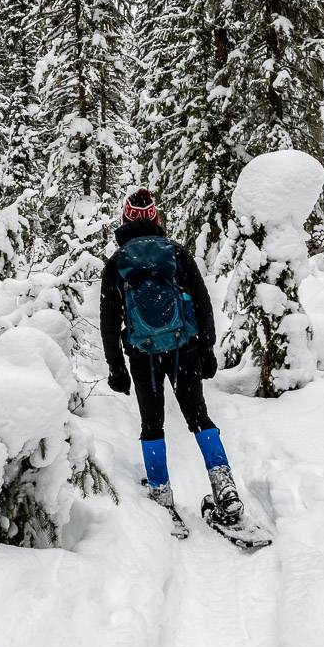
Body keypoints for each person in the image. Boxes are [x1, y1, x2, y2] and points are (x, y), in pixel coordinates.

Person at [100, 188, 245, 531]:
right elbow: (201, 302)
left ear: (125, 221)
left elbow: (109, 322)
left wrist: (116, 368)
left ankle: (162, 496)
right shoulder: (177, 253)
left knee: (152, 424)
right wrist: (207, 349)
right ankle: (224, 488)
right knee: (199, 418)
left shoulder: (117, 263)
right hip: (184, 349)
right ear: (156, 220)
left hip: (142, 355)